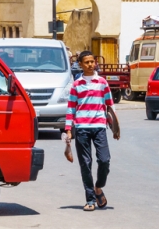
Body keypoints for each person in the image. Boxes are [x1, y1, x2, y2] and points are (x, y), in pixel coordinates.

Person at [65, 51, 120, 212]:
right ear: (80, 65)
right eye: (86, 62)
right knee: (85, 164)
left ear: (95, 62)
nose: (90, 64)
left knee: (104, 160)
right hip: (82, 128)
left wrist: (115, 127)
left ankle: (98, 188)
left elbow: (110, 106)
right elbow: (71, 108)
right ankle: (90, 199)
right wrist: (68, 129)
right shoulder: (76, 85)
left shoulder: (102, 82)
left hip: (99, 127)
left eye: (92, 61)